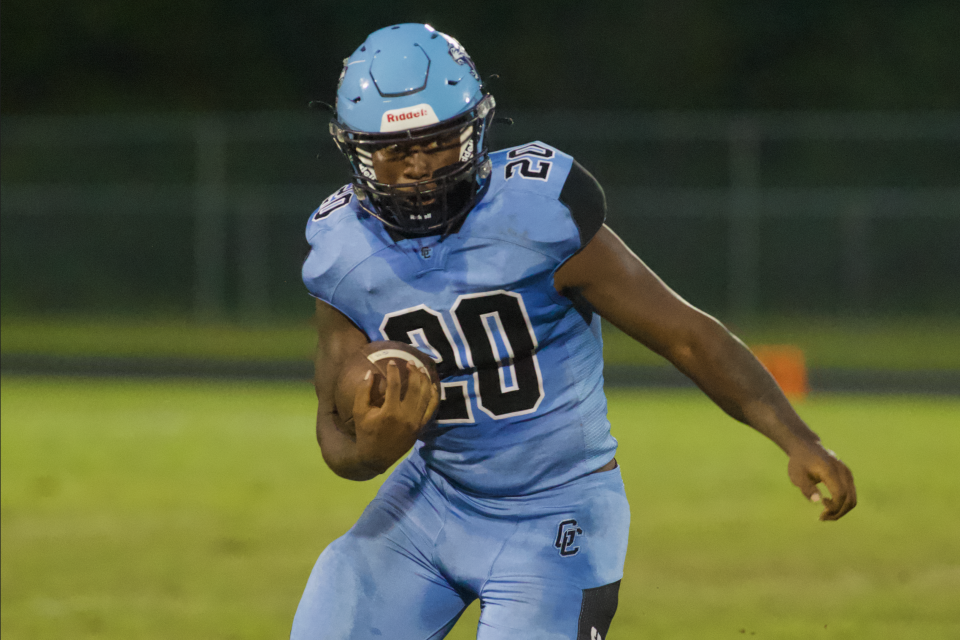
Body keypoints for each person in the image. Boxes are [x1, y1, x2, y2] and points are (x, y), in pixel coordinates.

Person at [293, 23, 856, 640]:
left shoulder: (538, 214)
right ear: (358, 152)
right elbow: (332, 426)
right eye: (397, 152)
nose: (422, 170)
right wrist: (371, 452)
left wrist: (799, 440)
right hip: (434, 498)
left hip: (557, 511)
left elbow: (687, 335)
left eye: (440, 144)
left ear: (476, 132)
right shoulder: (342, 249)